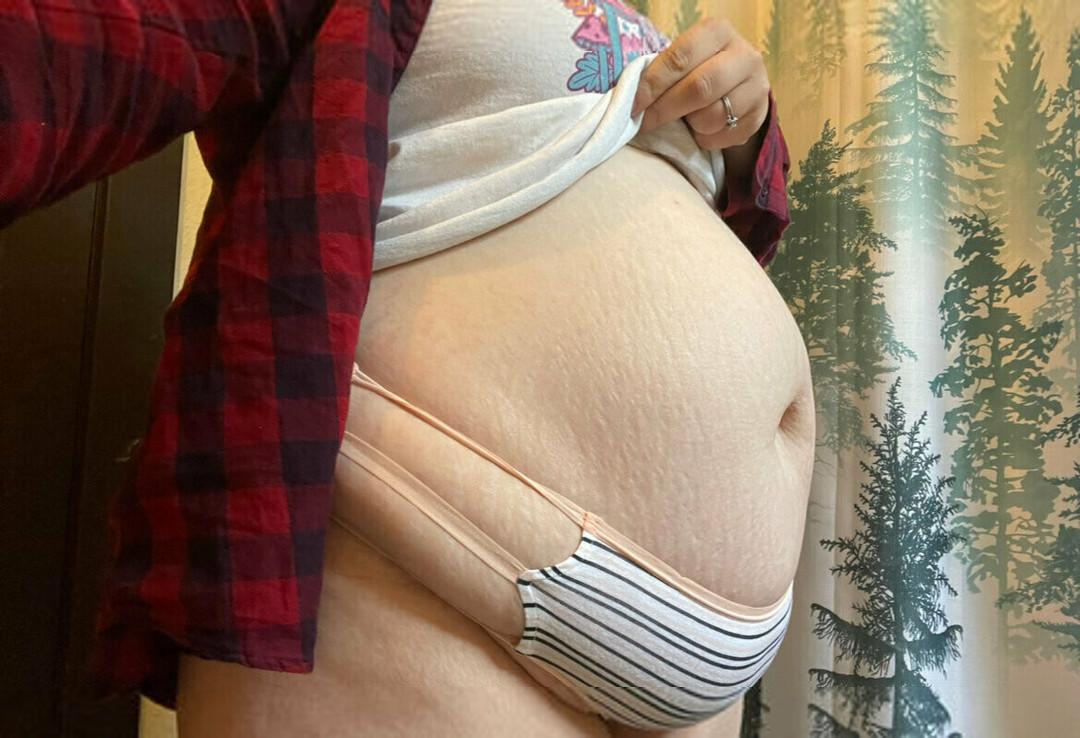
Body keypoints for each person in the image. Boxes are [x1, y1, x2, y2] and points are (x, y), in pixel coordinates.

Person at [1, 1, 813, 735]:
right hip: (416, 536)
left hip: (720, 626)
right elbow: (80, 48)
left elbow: (723, 212)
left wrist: (741, 129)